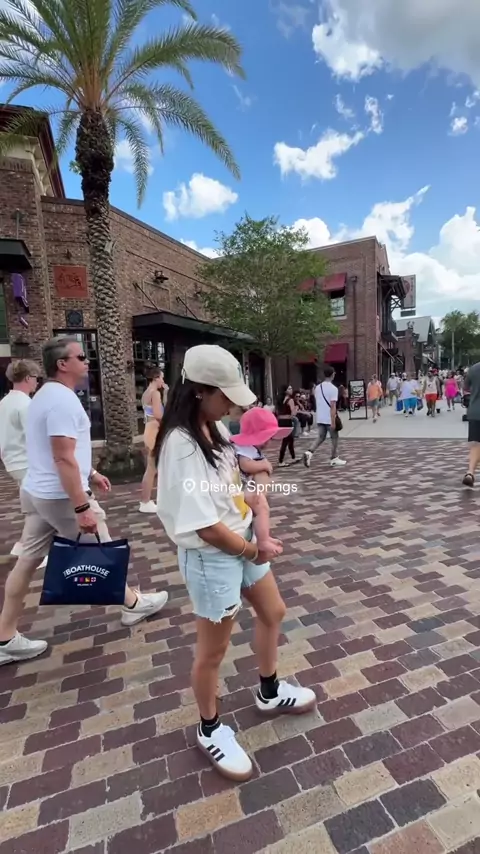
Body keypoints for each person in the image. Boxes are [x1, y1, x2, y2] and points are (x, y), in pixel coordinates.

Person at [155, 344, 316, 781]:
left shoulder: (214, 429)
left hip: (240, 541)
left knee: (272, 610)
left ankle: (268, 689)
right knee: (213, 650)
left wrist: (253, 491)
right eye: (225, 396)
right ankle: (209, 728)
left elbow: (227, 485)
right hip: (213, 556)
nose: (232, 405)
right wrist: (253, 549)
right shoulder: (181, 445)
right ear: (199, 391)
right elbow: (205, 527)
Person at [0, 336, 168, 666]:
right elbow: (63, 457)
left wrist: (90, 471)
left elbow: (57, 449)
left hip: (39, 491)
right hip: (60, 496)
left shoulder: (44, 396)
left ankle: (4, 637)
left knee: (28, 559)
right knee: (100, 551)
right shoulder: (61, 401)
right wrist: (81, 506)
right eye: (80, 356)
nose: (87, 360)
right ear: (62, 364)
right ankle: (133, 605)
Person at [0, 359, 44, 565]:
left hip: (13, 462)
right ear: (28, 378)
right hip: (27, 463)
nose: (37, 382)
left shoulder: (4, 402)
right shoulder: (26, 404)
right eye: (36, 378)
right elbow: (35, 438)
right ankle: (36, 553)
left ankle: (21, 546)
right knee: (43, 510)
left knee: (33, 509)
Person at [232, 407, 291, 556]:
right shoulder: (244, 447)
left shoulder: (250, 448)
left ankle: (263, 536)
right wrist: (263, 465)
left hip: (247, 486)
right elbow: (245, 465)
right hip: (243, 488)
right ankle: (263, 539)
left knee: (261, 509)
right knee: (262, 508)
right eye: (266, 438)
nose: (268, 442)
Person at [303, 365, 346, 468]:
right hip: (329, 417)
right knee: (334, 437)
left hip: (320, 417)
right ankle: (334, 458)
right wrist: (333, 421)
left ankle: (309, 452)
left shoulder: (318, 388)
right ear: (333, 374)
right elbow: (333, 406)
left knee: (321, 437)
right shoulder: (333, 389)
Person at [139, 366, 168, 513]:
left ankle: (146, 500)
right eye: (161, 377)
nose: (163, 380)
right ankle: (145, 501)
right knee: (151, 468)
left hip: (149, 429)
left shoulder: (146, 393)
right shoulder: (155, 393)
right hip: (154, 430)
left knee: (152, 467)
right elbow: (158, 414)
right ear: (156, 378)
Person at [462, 361, 480, 487]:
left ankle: (470, 472)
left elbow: (466, 387)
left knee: (475, 444)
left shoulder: (474, 368)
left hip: (475, 411)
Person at [276, 385, 297, 467]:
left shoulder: (279, 399)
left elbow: (276, 411)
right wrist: (296, 409)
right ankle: (280, 461)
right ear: (286, 390)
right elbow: (293, 413)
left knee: (290, 439)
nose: (291, 390)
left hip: (280, 421)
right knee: (285, 441)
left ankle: (293, 457)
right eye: (289, 388)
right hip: (287, 421)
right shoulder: (290, 400)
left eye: (291, 388)